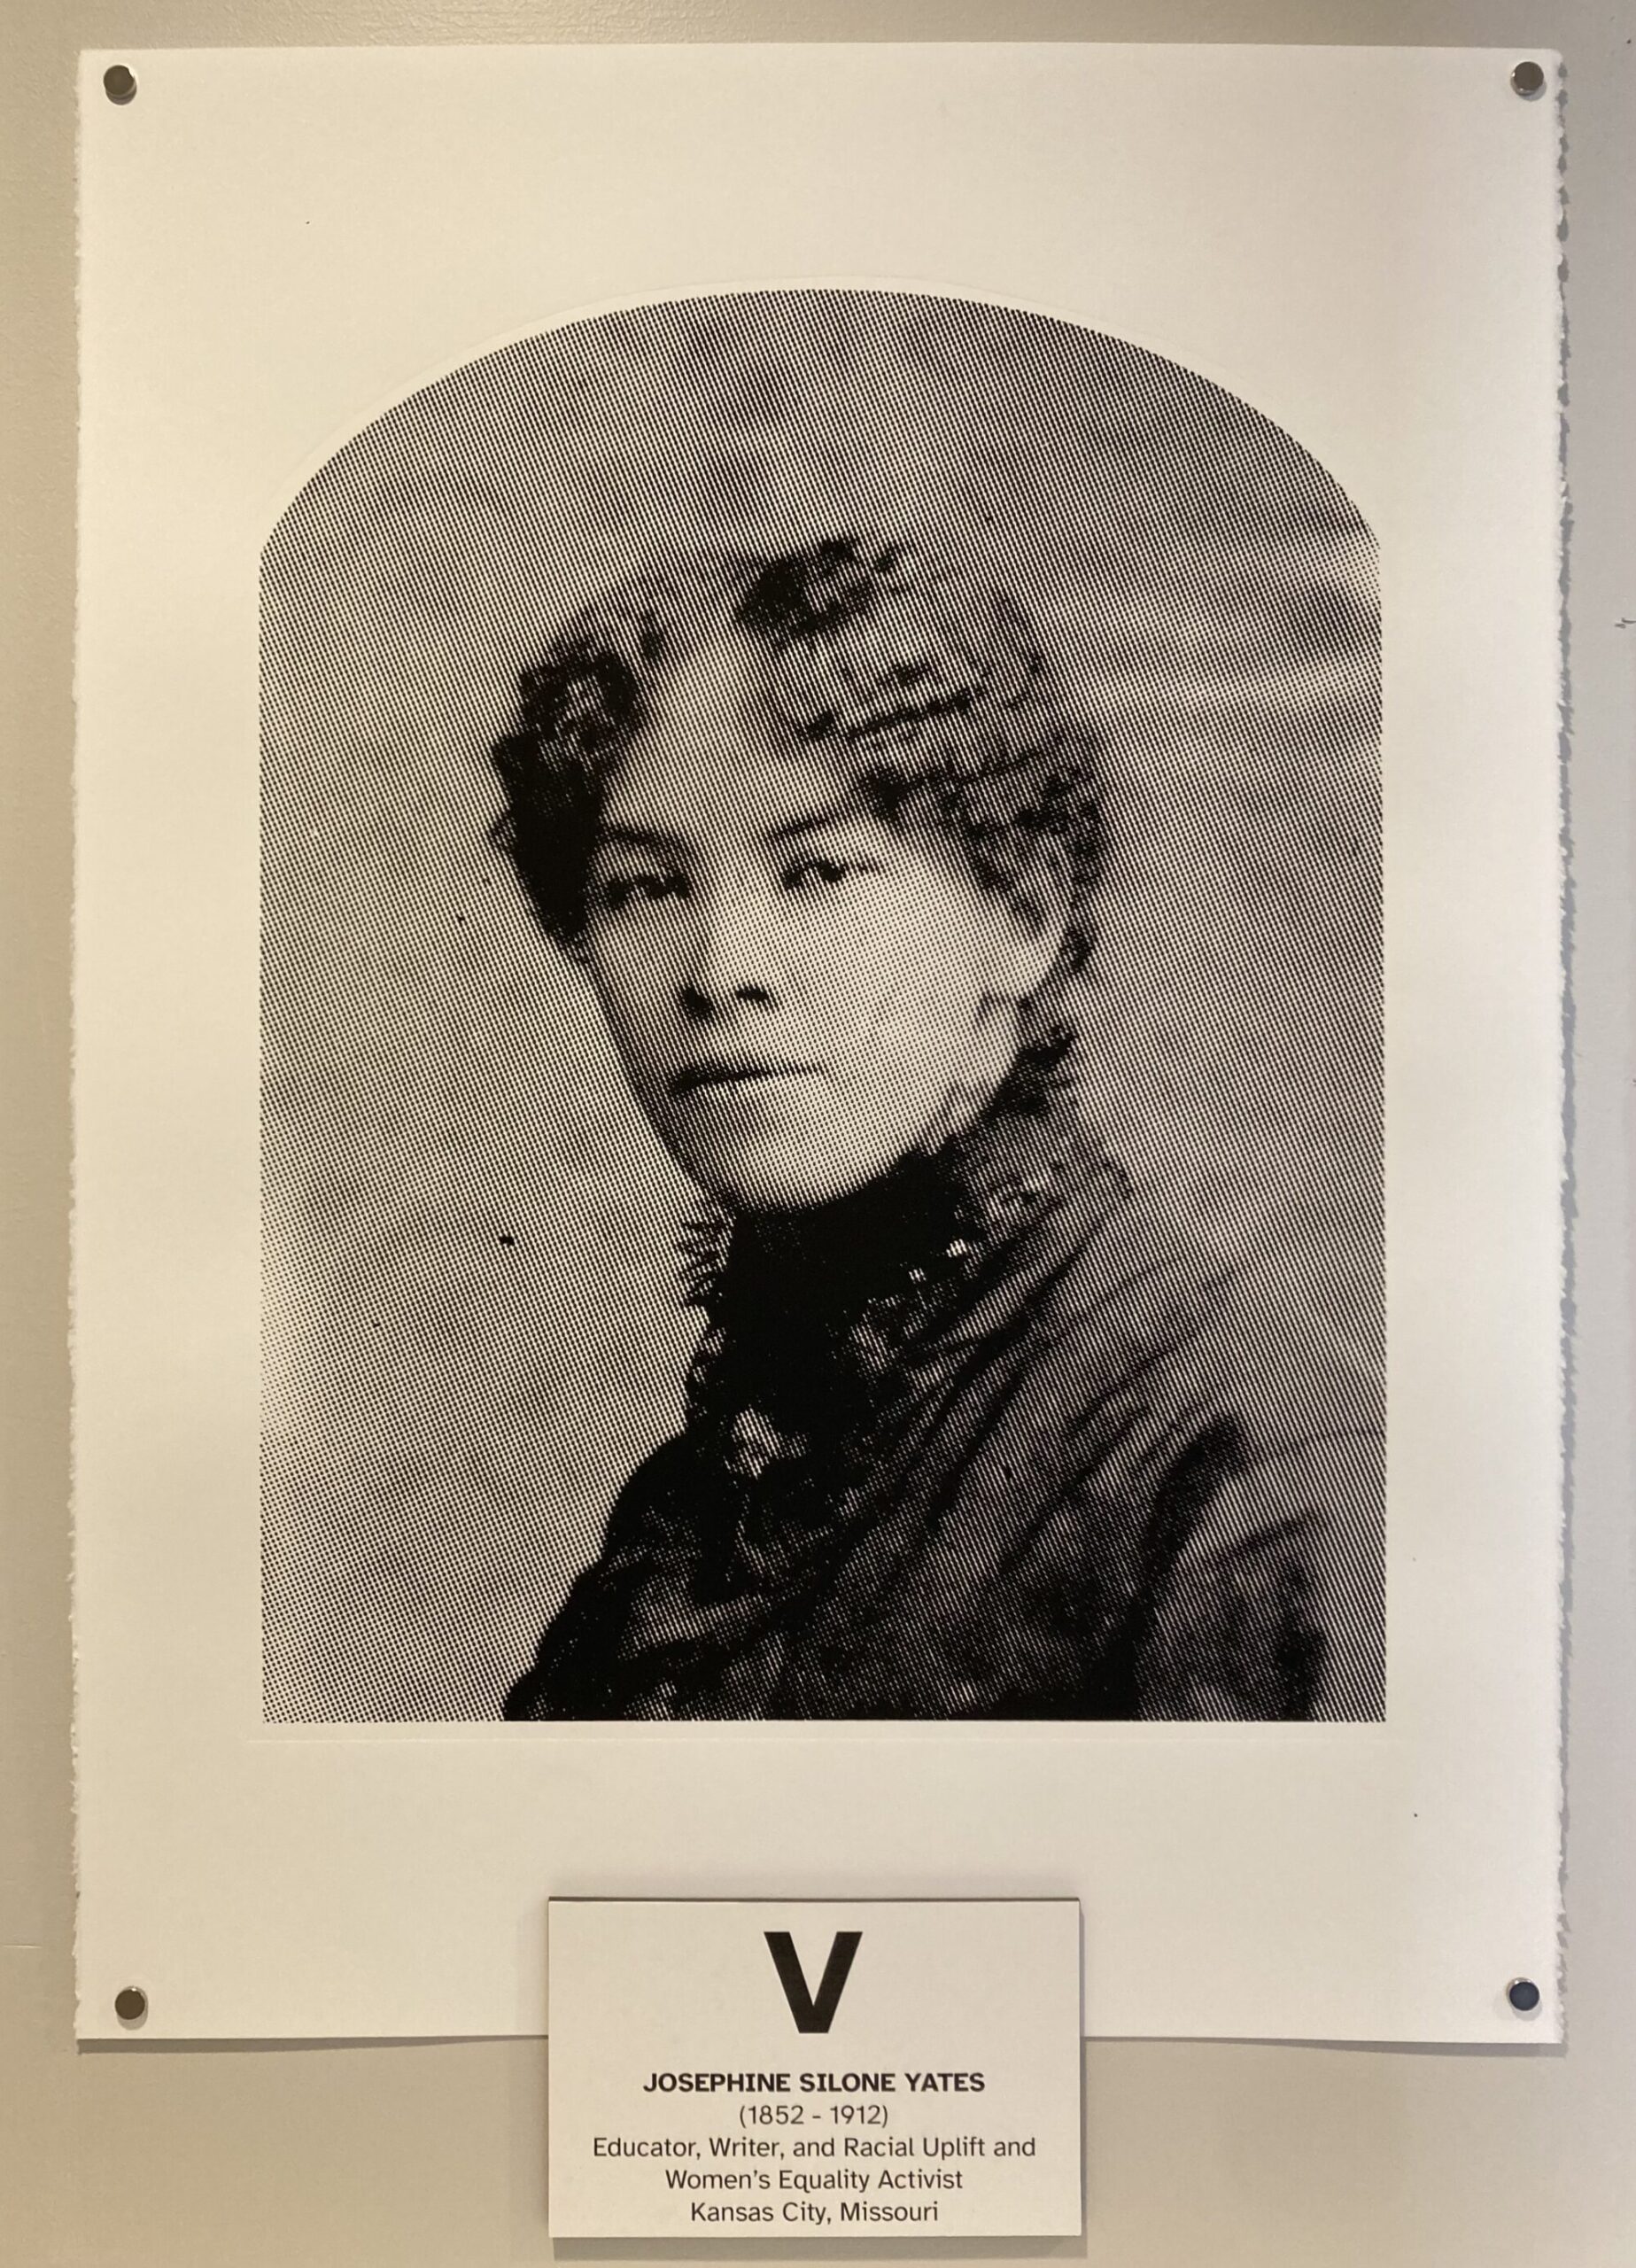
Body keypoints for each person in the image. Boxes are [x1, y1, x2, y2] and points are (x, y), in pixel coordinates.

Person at [489, 532, 1384, 1721]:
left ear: (1022, 917)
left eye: (819, 874)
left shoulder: (1237, 1440)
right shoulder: (701, 1496)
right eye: (648, 887)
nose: (719, 970)